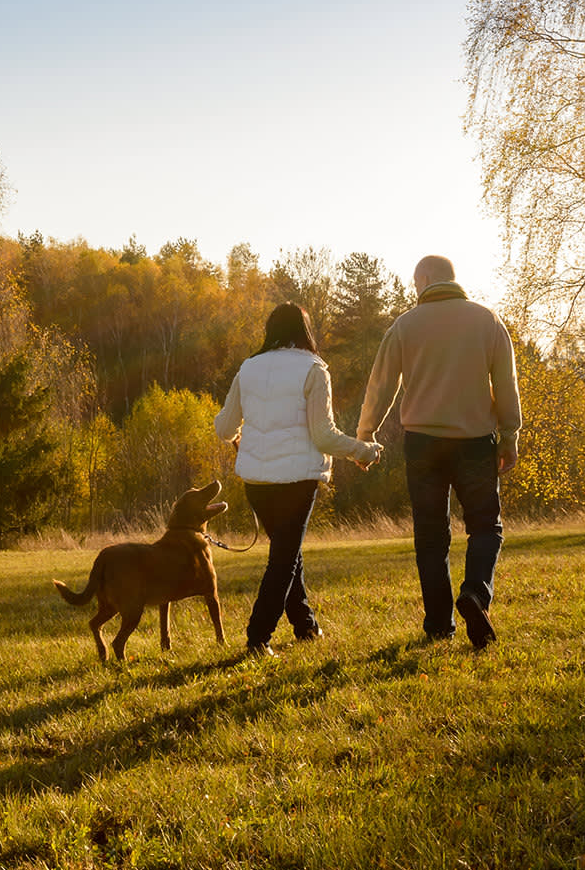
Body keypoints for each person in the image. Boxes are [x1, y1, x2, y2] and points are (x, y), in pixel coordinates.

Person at [355, 255, 521, 649]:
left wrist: (365, 435)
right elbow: (506, 381)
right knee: (485, 527)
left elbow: (380, 387)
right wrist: (510, 434)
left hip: (423, 443)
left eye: (415, 283)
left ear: (425, 279)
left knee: (431, 535)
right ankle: (476, 595)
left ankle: (438, 625)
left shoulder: (404, 325)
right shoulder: (487, 320)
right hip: (475, 441)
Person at [215, 303, 383, 656]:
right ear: (305, 330)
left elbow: (224, 428)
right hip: (296, 481)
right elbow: (323, 436)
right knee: (284, 558)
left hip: (257, 483)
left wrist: (244, 433)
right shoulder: (314, 368)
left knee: (287, 553)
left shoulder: (248, 368)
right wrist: (363, 450)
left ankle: (305, 625)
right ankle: (258, 638)